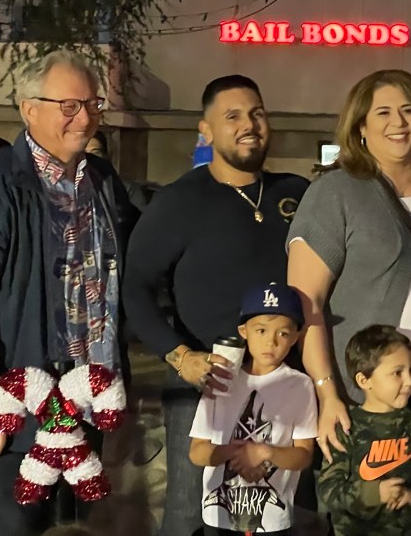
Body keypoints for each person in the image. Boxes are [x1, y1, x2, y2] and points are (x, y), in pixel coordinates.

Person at [122, 74, 311, 536]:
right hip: (206, 381)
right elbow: (135, 288)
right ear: (205, 131)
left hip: (285, 382)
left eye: (257, 113)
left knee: (284, 512)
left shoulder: (298, 194)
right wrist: (180, 356)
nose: (249, 124)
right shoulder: (179, 202)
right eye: (233, 116)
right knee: (193, 512)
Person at [0, 50, 137, 535]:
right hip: (12, 417)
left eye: (93, 104)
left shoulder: (102, 182)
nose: (85, 117)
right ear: (29, 109)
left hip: (85, 411)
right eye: (69, 106)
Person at [288, 69, 411, 460]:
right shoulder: (335, 191)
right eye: (383, 112)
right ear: (360, 126)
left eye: (408, 110)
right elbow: (306, 302)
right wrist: (327, 392)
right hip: (359, 395)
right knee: (362, 498)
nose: (398, 122)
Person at [189, 282, 317, 536]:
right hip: (219, 517)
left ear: (295, 337)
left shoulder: (300, 385)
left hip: (271, 521)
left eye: (283, 333)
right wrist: (233, 452)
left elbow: (303, 456)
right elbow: (197, 452)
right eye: (261, 330)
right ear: (243, 331)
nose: (271, 341)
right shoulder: (221, 379)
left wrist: (266, 452)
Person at [318, 325, 411, 536]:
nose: (409, 381)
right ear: (364, 380)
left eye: (410, 370)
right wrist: (374, 493)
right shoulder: (347, 428)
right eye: (397, 373)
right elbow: (329, 490)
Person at [85, 131, 152, 211]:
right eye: (84, 155)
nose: (90, 160)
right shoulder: (74, 192)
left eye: (95, 153)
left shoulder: (128, 189)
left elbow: (143, 217)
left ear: (106, 156)